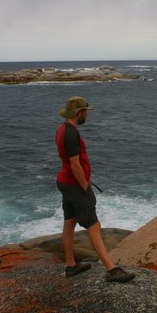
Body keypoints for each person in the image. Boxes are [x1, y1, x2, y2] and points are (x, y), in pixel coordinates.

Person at [55, 96, 135, 282]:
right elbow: (75, 165)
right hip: (74, 184)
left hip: (65, 182)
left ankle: (71, 265)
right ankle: (111, 269)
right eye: (85, 112)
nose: (86, 115)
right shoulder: (71, 134)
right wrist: (85, 187)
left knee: (69, 223)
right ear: (79, 113)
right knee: (94, 225)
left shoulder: (62, 129)